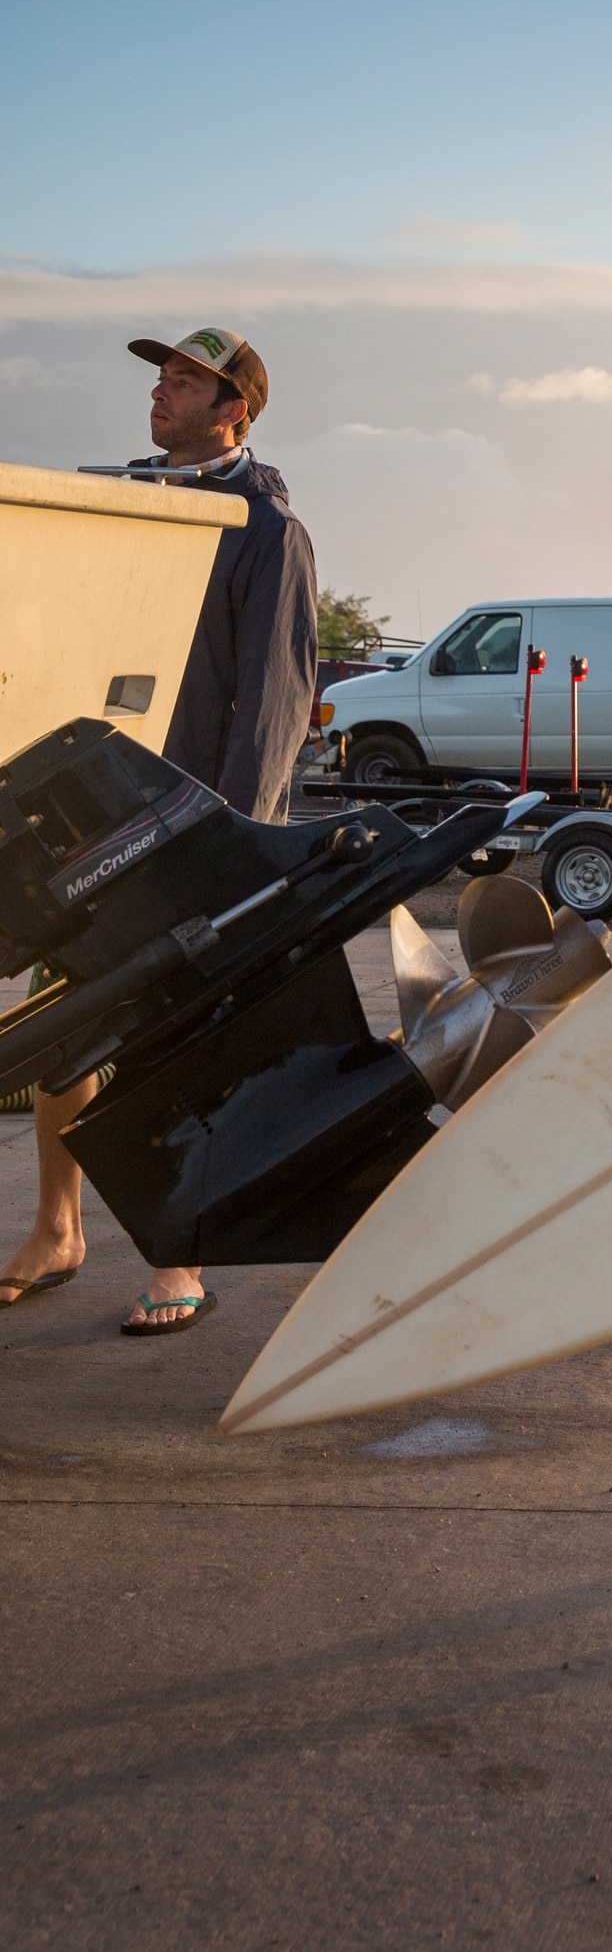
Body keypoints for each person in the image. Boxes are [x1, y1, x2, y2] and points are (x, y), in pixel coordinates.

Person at [0, 326, 317, 1334]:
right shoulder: (126, 507)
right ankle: (58, 1230)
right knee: (64, 1024)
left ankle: (178, 1257)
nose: (162, 393)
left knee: (168, 1044)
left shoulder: (265, 533)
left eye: (188, 382)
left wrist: (233, 844)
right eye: (162, 378)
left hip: (186, 824)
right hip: (81, 811)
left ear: (237, 409)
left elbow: (273, 700)